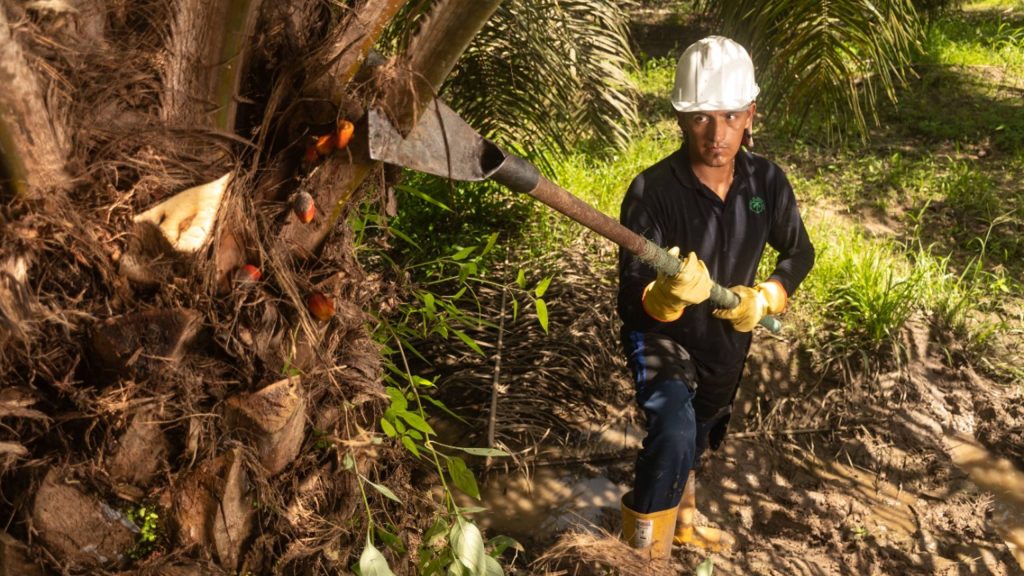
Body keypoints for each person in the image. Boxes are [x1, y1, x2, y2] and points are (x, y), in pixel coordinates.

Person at [617, 36, 815, 558]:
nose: (717, 133)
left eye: (730, 116)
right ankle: (642, 556)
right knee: (673, 428)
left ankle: (682, 524)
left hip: (726, 342)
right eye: (702, 117)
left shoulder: (766, 183)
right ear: (682, 119)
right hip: (662, 336)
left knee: (698, 433)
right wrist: (664, 296)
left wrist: (767, 297)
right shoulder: (651, 192)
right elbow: (630, 299)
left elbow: (800, 252)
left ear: (751, 114)